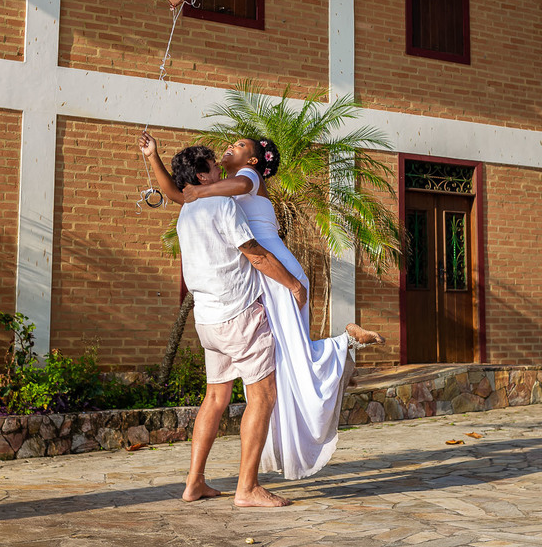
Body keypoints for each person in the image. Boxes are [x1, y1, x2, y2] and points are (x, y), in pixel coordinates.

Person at [139, 132, 384, 480]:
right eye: (230, 145)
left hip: (276, 272)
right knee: (284, 357)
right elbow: (179, 194)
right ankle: (343, 343)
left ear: (253, 161)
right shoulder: (214, 195)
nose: (230, 147)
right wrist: (153, 156)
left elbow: (210, 193)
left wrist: (199, 191)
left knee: (292, 353)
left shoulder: (247, 177)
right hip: (264, 278)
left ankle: (344, 342)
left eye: (240, 146)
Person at [169, 144, 306, 507]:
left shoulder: (186, 212)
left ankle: (194, 483)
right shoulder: (222, 204)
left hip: (207, 320)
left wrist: (151, 157)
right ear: (202, 176)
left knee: (215, 398)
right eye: (214, 167)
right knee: (263, 395)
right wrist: (293, 285)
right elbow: (255, 255)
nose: (220, 170)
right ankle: (247, 488)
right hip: (238, 316)